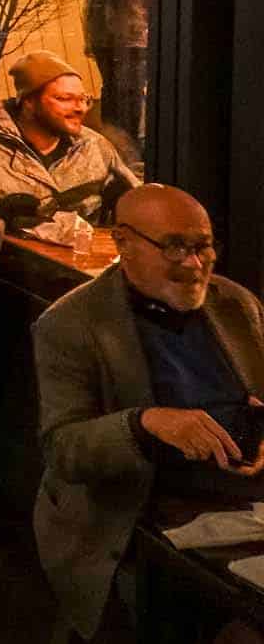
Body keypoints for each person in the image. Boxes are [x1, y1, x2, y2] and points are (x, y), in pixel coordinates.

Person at [34, 183, 264, 640]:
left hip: (243, 500)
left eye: (203, 246)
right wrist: (145, 424)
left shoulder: (237, 305)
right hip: (139, 509)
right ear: (124, 242)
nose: (194, 265)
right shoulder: (70, 324)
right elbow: (62, 449)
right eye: (175, 247)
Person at [0, 50, 139, 229]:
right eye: (65, 99)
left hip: (82, 254)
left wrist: (128, 204)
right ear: (28, 102)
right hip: (14, 254)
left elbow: (140, 201)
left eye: (84, 99)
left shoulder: (95, 145)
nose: (80, 108)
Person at [84, 0, 152, 148]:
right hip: (137, 41)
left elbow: (88, 7)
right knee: (133, 92)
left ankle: (108, 142)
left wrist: (89, 38)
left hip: (104, 41)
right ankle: (129, 146)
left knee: (111, 89)